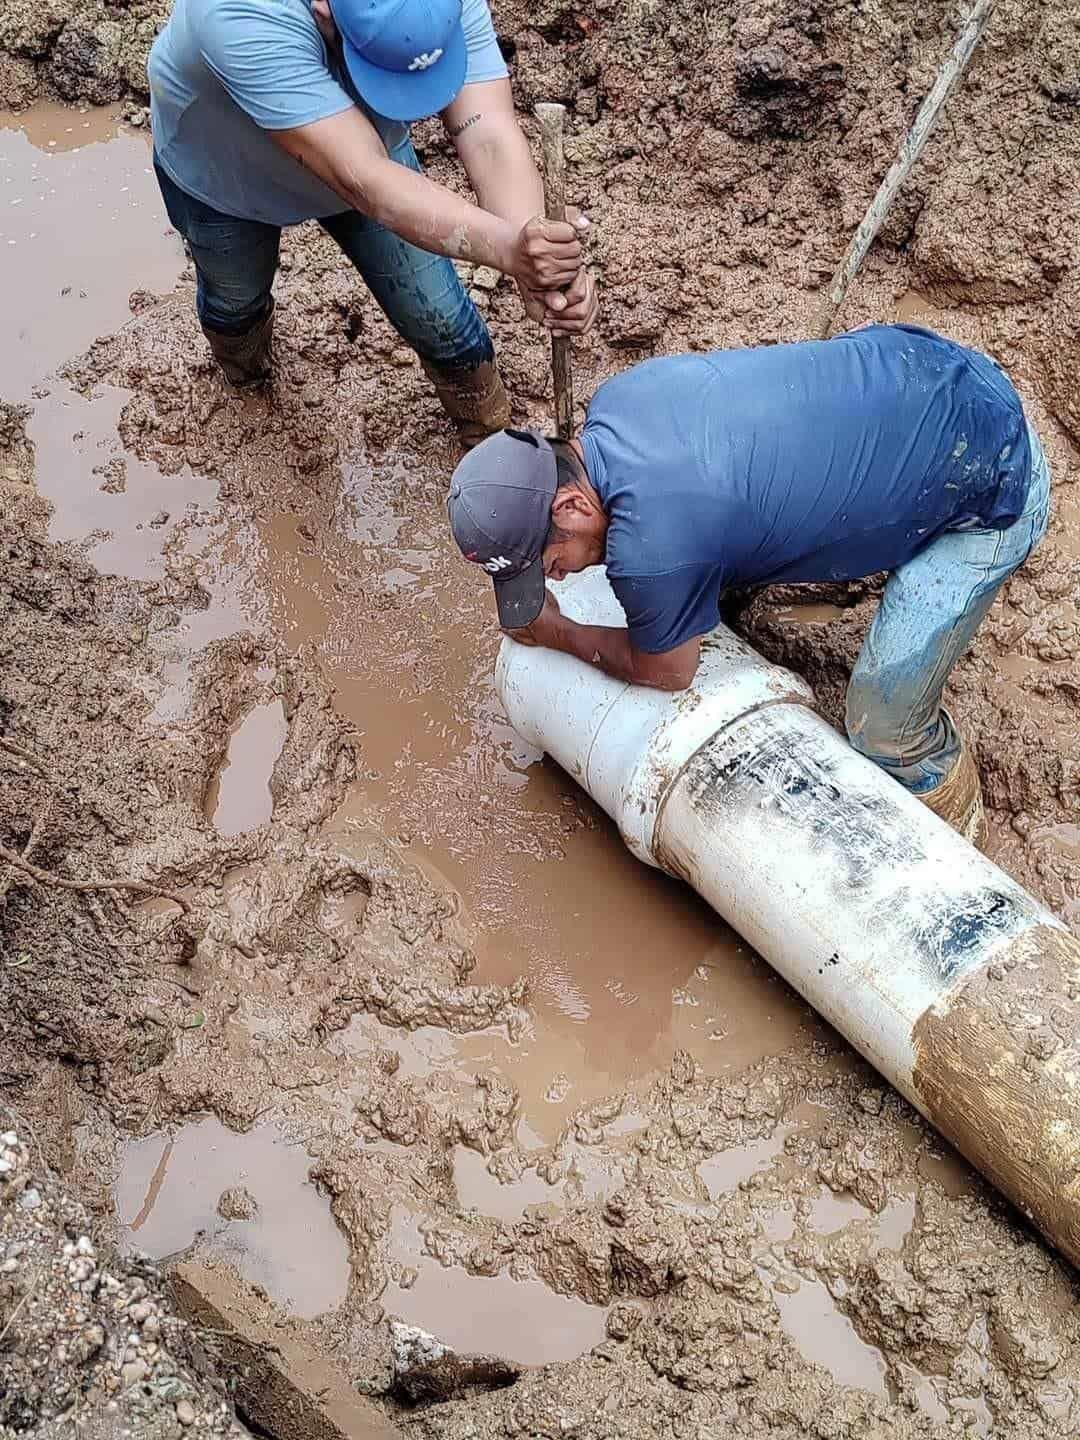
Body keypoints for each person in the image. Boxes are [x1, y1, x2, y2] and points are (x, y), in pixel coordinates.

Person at [447, 324, 1052, 844]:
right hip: (924, 366)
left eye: (550, 561)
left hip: (992, 475)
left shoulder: (652, 550)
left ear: (574, 506)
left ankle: (952, 809)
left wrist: (560, 630)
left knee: (881, 726)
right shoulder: (619, 401)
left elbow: (667, 670)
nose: (557, 574)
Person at [148, 0, 597, 444]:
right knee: (235, 302)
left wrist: (533, 247)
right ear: (324, 10)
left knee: (440, 317)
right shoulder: (236, 11)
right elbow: (364, 181)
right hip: (222, 168)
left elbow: (489, 133)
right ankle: (246, 381)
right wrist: (508, 250)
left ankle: (490, 435)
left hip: (373, 159)